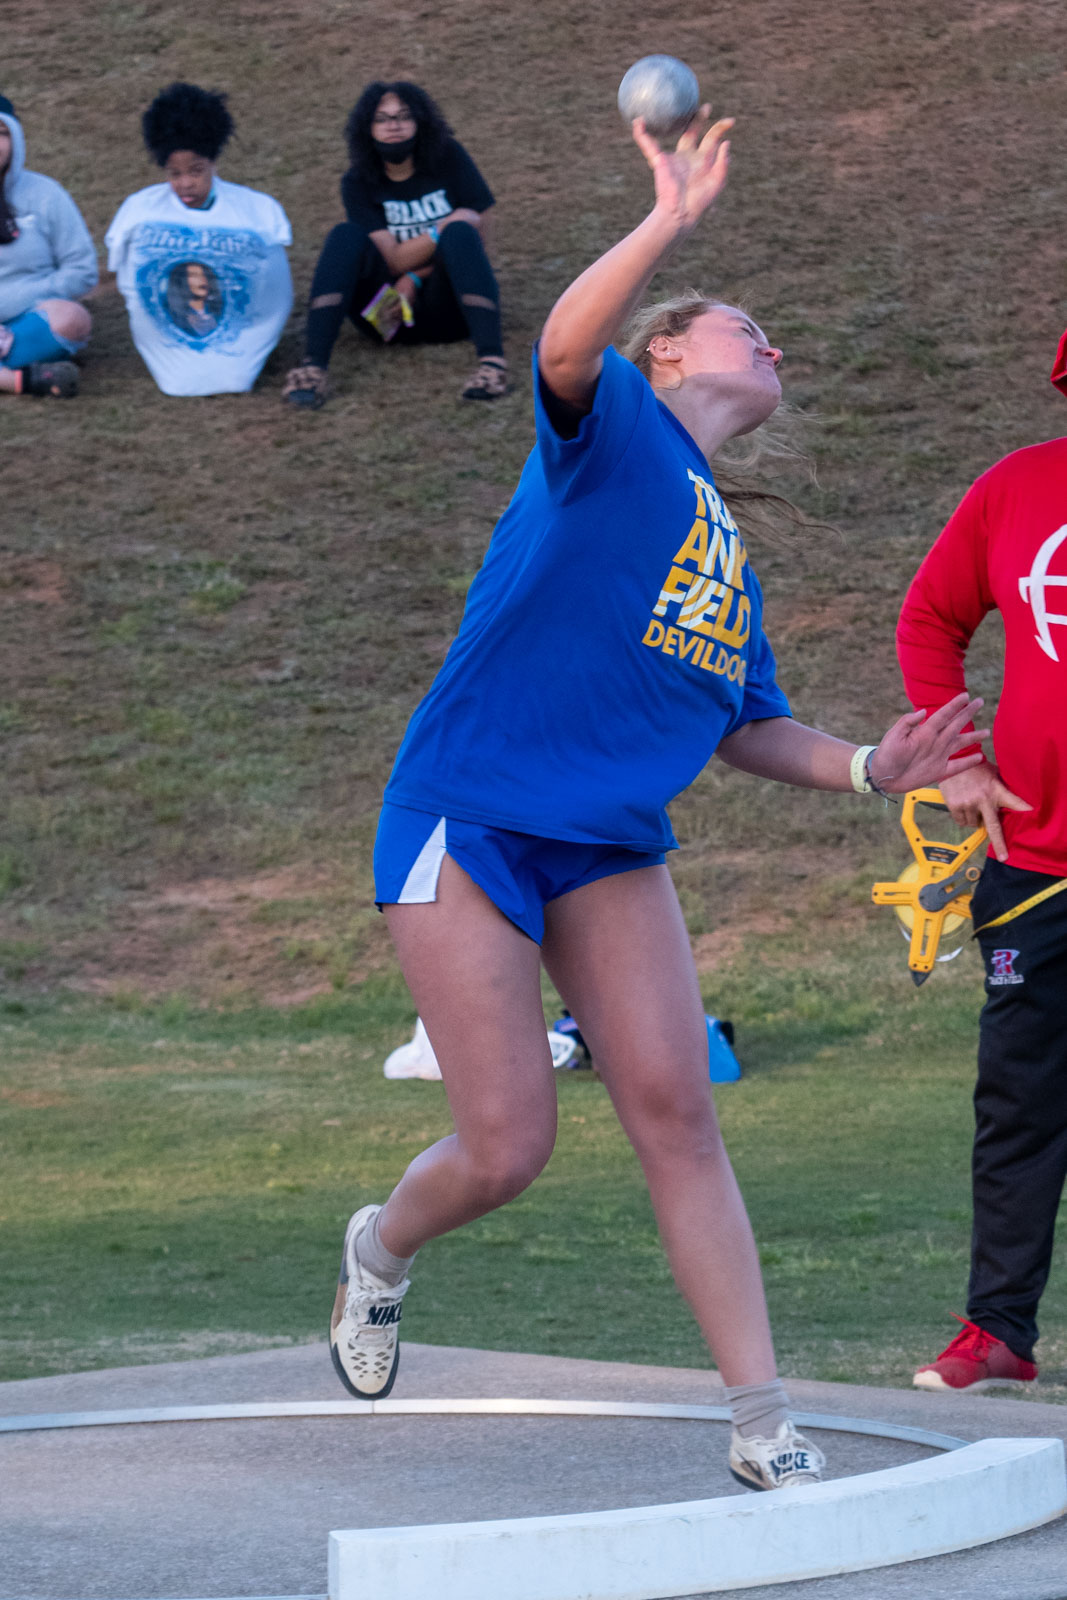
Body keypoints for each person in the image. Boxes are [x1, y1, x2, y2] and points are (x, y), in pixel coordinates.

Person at [330, 111, 985, 1491]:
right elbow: (566, 351)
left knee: (678, 1113)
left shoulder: (720, 545)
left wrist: (871, 767)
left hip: (607, 844)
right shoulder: (617, 425)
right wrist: (665, 220)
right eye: (748, 329)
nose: (774, 349)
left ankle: (762, 1426)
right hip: (470, 814)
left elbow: (745, 724)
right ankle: (379, 1246)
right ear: (670, 352)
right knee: (507, 1145)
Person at [899, 329, 1067, 1395]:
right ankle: (997, 1332)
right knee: (1017, 1106)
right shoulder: (1016, 488)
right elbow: (930, 617)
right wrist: (956, 759)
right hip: (1033, 862)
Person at [283, 80, 506, 409]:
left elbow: (477, 244)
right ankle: (312, 369)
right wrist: (440, 230)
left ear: (420, 122)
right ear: (367, 129)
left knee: (460, 235)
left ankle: (492, 366)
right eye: (382, 119)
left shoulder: (450, 159)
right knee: (345, 236)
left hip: (451, 310)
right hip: (388, 316)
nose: (394, 125)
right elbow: (394, 260)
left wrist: (415, 276)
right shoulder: (357, 182)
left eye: (403, 116)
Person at [106, 83, 292, 397]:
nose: (185, 184)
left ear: (213, 163)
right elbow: (129, 281)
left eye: (196, 171)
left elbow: (274, 290)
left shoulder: (256, 211)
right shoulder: (140, 210)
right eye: (174, 174)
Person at [0, 93, 96, 398]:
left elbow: (82, 271)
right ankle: (19, 381)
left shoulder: (46, 194)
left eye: (2, 133)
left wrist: (21, 302)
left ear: (16, 138)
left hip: (30, 321)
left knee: (73, 320)